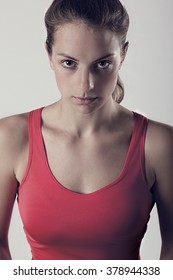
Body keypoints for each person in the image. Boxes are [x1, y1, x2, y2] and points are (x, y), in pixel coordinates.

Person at [0, 0, 172, 260]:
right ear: (48, 54)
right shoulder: (11, 137)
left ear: (123, 55)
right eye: (69, 63)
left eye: (102, 64)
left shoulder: (159, 144)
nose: (86, 85)